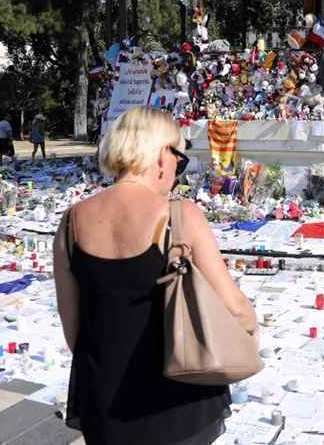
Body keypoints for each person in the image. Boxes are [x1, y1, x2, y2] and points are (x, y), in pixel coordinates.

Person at [53, 106, 259, 444]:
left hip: (104, 403)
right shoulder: (180, 215)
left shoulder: (71, 223)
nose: (178, 166)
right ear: (162, 155)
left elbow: (73, 328)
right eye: (179, 155)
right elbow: (234, 307)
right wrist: (251, 335)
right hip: (179, 401)